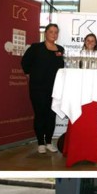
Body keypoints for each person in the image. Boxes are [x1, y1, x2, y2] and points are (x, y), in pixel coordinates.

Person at [21, 23, 65, 154]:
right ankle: (40, 142)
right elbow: (25, 63)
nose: (53, 34)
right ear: (46, 33)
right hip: (38, 87)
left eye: (56, 32)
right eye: (51, 31)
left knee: (51, 115)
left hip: (55, 88)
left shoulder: (60, 50)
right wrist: (31, 76)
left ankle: (49, 142)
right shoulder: (36, 47)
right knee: (40, 115)